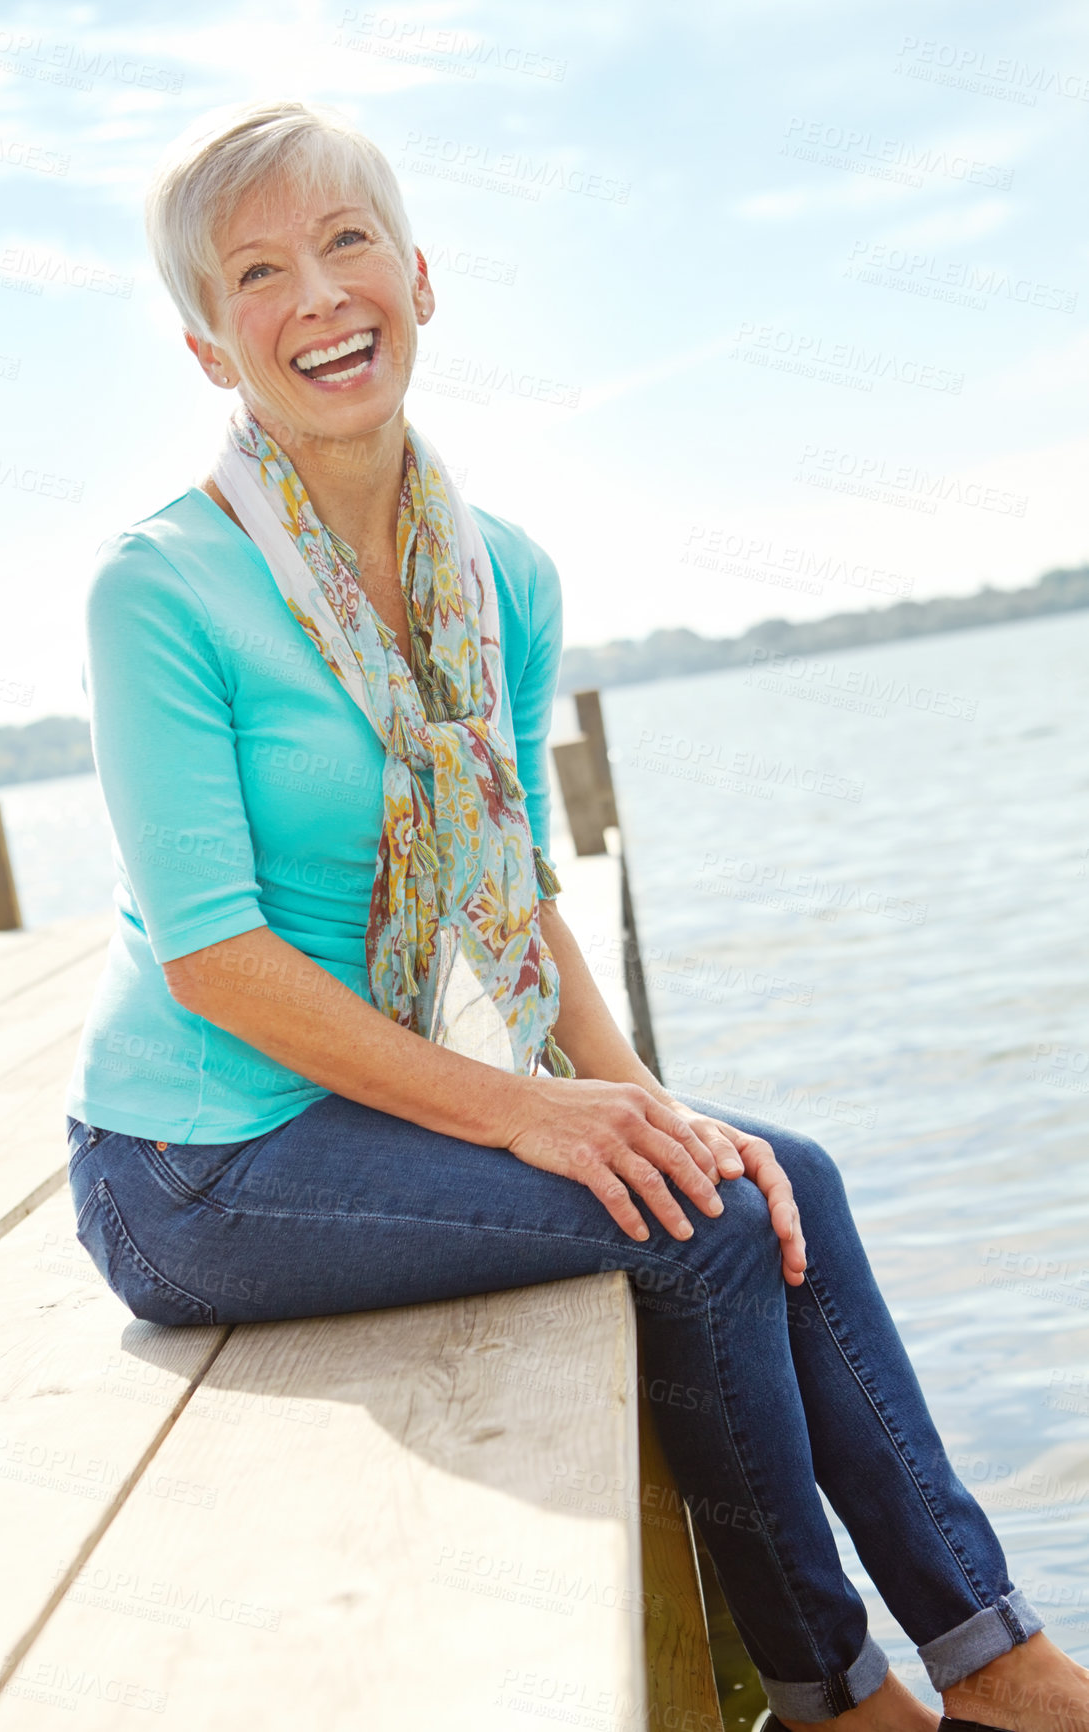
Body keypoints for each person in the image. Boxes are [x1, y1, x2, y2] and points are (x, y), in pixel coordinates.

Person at [63, 97, 1088, 1732]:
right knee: (690, 1223)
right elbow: (217, 961)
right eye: (258, 271)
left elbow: (516, 898)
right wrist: (537, 1119)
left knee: (766, 1173)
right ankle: (831, 1697)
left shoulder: (500, 576)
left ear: (418, 273)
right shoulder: (162, 586)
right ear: (206, 347)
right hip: (195, 1162)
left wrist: (644, 1109)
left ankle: (999, 1662)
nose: (318, 294)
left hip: (353, 1108)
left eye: (345, 243)